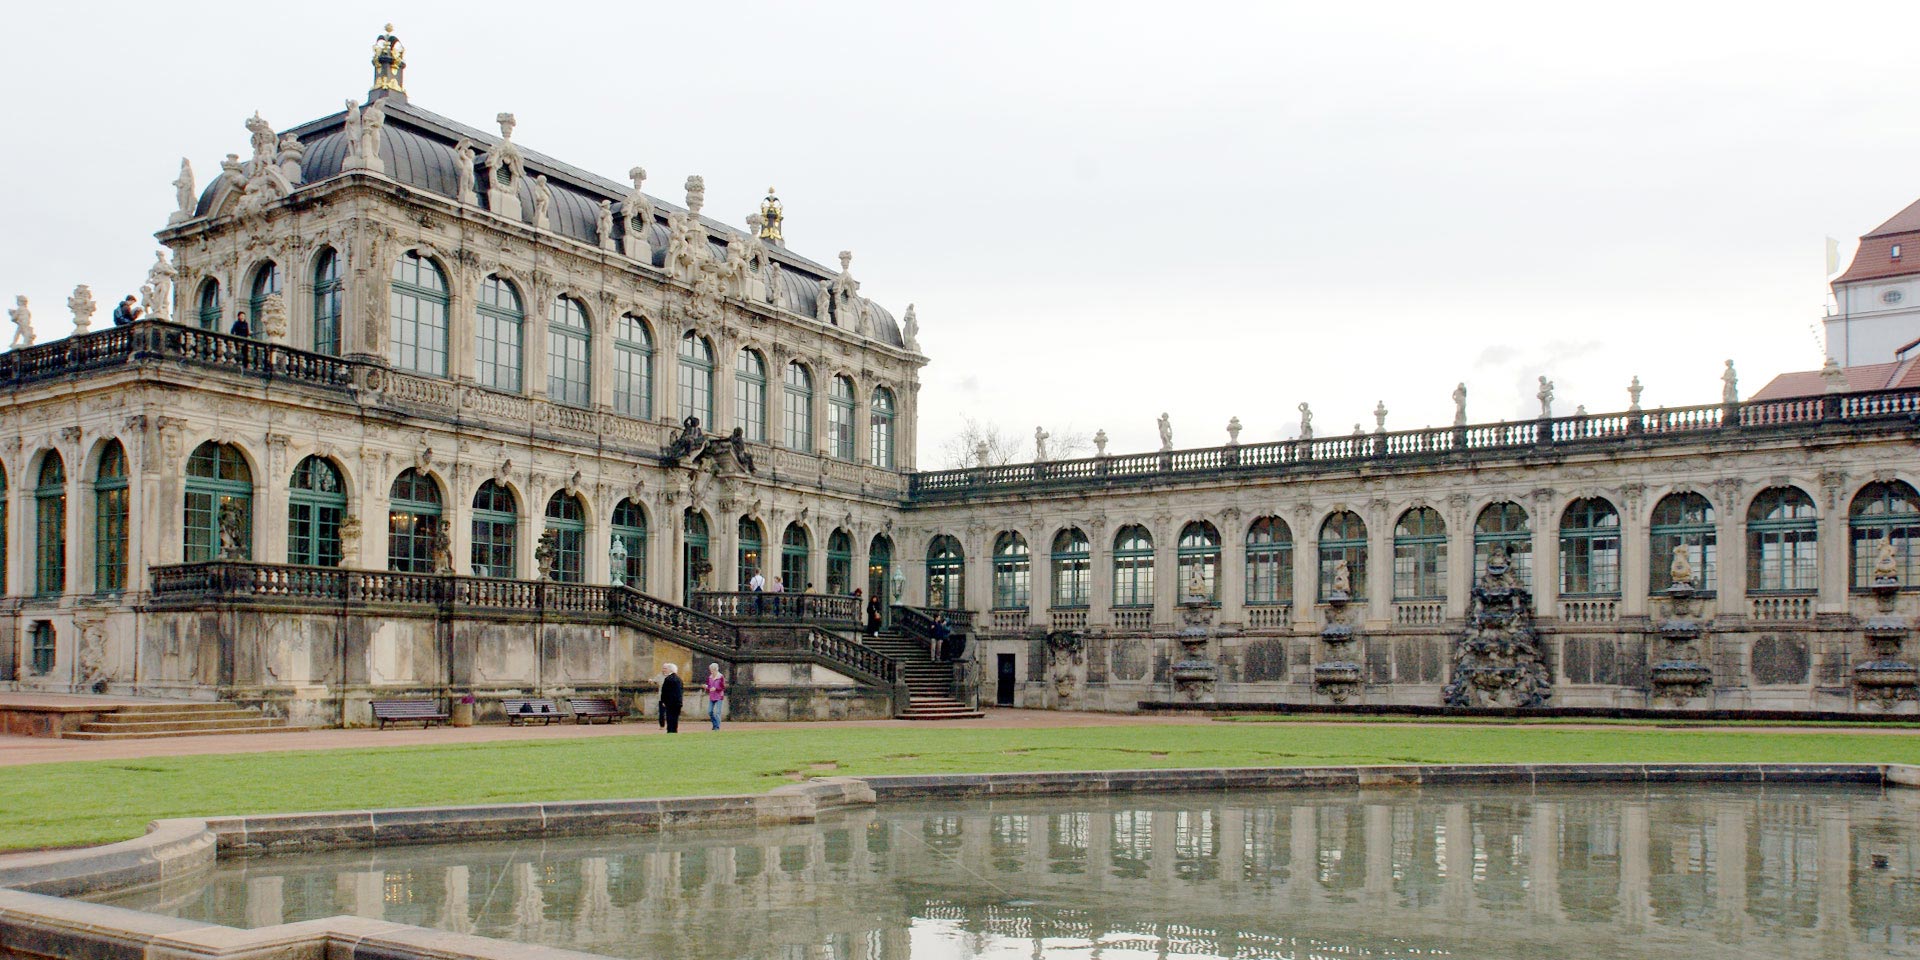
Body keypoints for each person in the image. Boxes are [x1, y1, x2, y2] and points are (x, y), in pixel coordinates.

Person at [658, 662, 683, 733]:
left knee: (669, 717)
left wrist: (663, 701)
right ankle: (674, 730)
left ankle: (670, 730)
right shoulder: (679, 679)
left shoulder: (668, 679)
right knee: (675, 718)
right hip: (678, 701)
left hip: (670, 702)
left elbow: (664, 691)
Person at [705, 662, 727, 730]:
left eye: (712, 670)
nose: (711, 671)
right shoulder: (710, 677)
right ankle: (715, 724)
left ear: (716, 669)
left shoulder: (720, 677)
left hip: (719, 696)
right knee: (710, 711)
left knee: (717, 712)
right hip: (712, 696)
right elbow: (709, 686)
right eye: (711, 670)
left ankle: (717, 727)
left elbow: (723, 687)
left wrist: (716, 689)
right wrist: (707, 687)